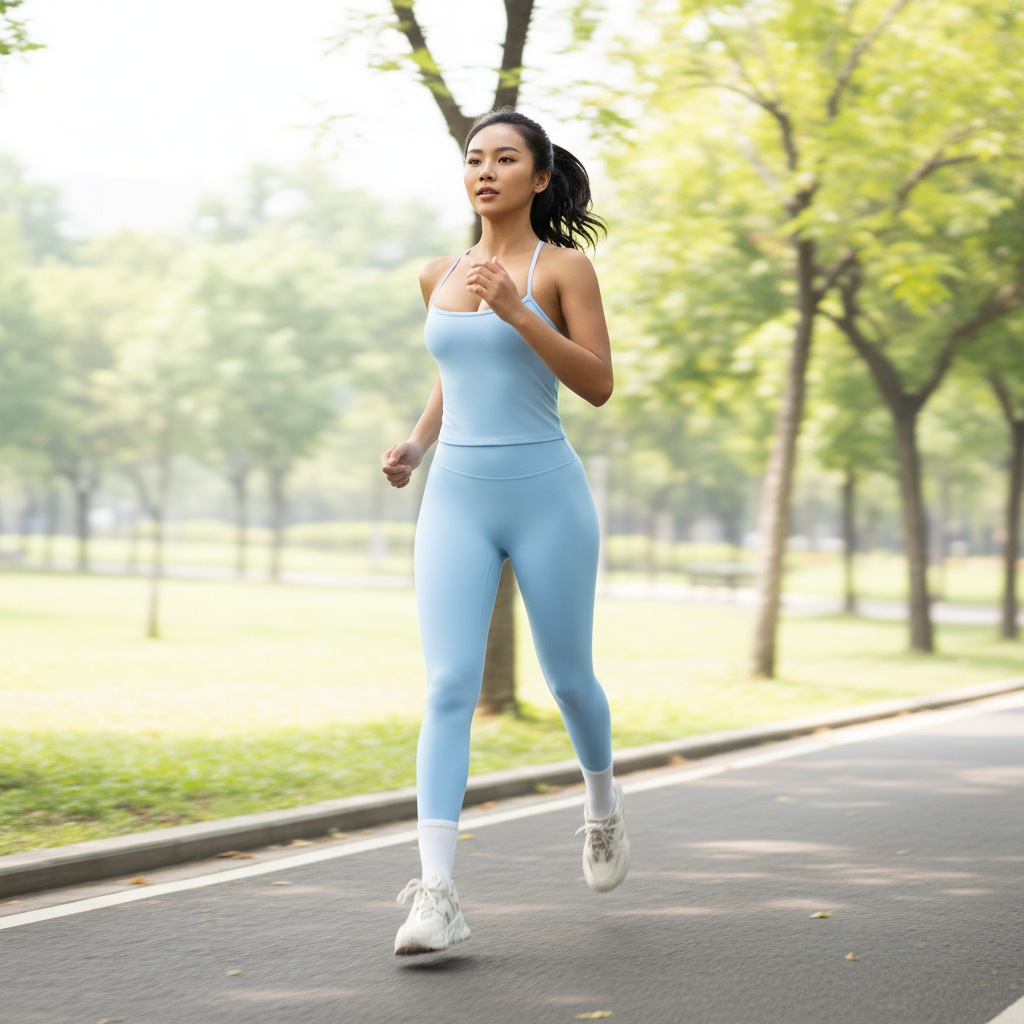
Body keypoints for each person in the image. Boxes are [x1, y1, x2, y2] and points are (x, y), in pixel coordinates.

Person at [380, 109, 628, 956]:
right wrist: (417, 443)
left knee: (569, 682)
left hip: (546, 493)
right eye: (474, 158)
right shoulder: (437, 274)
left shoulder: (564, 268)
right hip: (455, 496)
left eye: (505, 158)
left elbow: (595, 384)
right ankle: (437, 893)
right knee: (449, 686)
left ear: (540, 177)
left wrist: (522, 311)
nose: (485, 170)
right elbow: (457, 375)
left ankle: (600, 806)